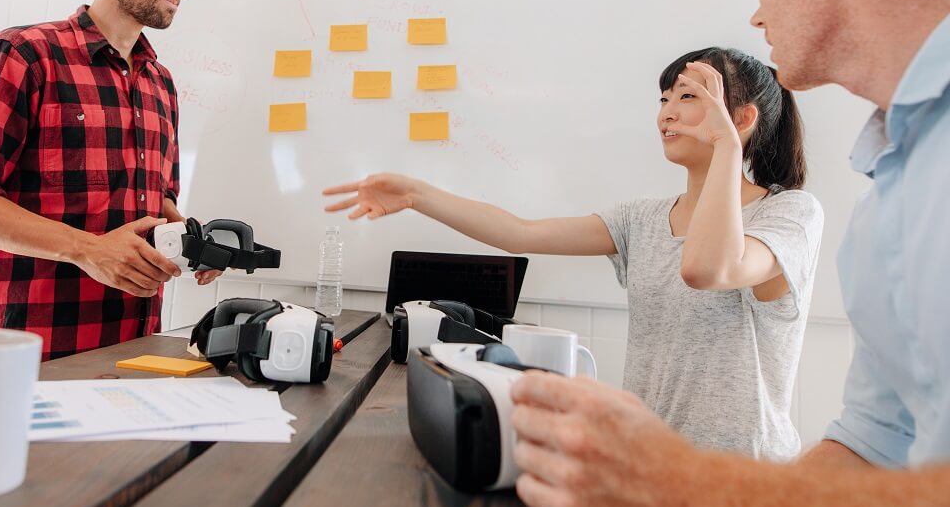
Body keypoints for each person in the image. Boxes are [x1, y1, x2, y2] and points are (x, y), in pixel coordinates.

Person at [505, 0, 950, 507]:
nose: (755, 14)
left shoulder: (804, 211)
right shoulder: (888, 192)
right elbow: (872, 447)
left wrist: (690, 488)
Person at [325, 46, 822, 460]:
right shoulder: (642, 218)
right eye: (664, 98)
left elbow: (707, 267)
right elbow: (521, 233)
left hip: (745, 480)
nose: (666, 112)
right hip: (647, 463)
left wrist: (728, 149)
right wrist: (418, 195)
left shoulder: (789, 215)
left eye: (688, 97)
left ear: (742, 119)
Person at [0, 0, 217, 360]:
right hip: (28, 351)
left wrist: (189, 240)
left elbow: (159, 201)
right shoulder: (23, 55)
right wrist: (87, 250)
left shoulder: (161, 82)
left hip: (134, 346)